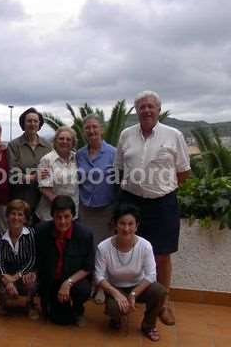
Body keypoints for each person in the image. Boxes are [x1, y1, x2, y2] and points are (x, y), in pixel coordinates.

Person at [115, 90, 190, 325]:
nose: (146, 110)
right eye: (142, 107)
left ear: (158, 109)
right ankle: (127, 298)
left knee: (162, 255)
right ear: (136, 110)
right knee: (127, 250)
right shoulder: (126, 135)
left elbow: (184, 172)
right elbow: (118, 168)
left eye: (151, 106)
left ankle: (162, 304)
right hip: (131, 201)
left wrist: (160, 188)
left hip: (163, 204)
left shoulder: (174, 135)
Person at [95, 204, 166, 342]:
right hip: (115, 287)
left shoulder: (145, 246)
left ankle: (149, 326)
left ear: (137, 225)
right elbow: (98, 276)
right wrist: (115, 293)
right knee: (114, 308)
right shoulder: (103, 247)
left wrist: (134, 293)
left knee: (159, 291)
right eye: (122, 223)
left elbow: (151, 275)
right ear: (115, 224)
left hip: (139, 286)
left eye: (130, 224)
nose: (126, 228)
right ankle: (115, 319)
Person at [76, 114, 117, 303]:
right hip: (85, 209)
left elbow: (119, 184)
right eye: (87, 128)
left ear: (101, 128)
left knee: (105, 250)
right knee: (90, 249)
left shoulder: (113, 153)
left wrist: (116, 213)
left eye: (94, 127)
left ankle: (102, 286)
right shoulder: (80, 154)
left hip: (106, 210)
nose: (91, 131)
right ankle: (92, 282)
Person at [35, 195, 94, 326]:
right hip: (50, 280)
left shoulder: (85, 234)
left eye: (66, 216)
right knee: (57, 319)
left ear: (73, 216)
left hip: (73, 281)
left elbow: (88, 267)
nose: (62, 221)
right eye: (58, 217)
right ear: (52, 216)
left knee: (83, 290)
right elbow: (36, 257)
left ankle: (78, 310)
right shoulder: (41, 231)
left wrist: (68, 282)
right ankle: (47, 302)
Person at [0, 199, 39, 319]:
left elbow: (33, 259)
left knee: (31, 281)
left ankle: (30, 304)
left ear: (25, 219)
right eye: (13, 213)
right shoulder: (0, 238)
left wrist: (18, 276)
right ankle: (2, 301)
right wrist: (7, 280)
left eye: (20, 214)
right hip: (7, 275)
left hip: (25, 274)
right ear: (7, 216)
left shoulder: (31, 234)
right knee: (1, 282)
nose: (16, 217)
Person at [7, 108, 52, 222]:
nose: (32, 124)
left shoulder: (47, 146)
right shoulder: (14, 145)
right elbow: (12, 175)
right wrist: (33, 177)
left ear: (39, 124)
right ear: (23, 124)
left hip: (43, 203)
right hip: (21, 202)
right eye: (29, 121)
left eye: (35, 121)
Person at [35, 126, 79, 222]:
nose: (65, 141)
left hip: (72, 214)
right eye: (61, 138)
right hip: (51, 214)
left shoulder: (77, 158)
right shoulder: (47, 160)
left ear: (73, 143)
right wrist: (62, 206)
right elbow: (44, 189)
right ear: (55, 141)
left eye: (68, 139)